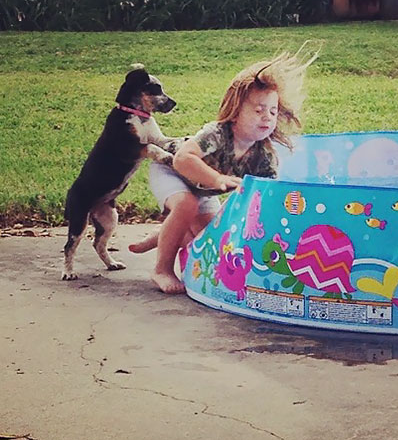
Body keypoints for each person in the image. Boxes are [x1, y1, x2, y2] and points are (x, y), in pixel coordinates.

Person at [130, 45, 318, 294]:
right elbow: (183, 160)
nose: (267, 117)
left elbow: (266, 197)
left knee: (210, 237)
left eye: (273, 111)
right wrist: (217, 178)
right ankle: (162, 269)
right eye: (259, 110)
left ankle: (164, 233)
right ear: (235, 111)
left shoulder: (264, 157)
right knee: (186, 205)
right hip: (172, 170)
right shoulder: (217, 134)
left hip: (204, 189)